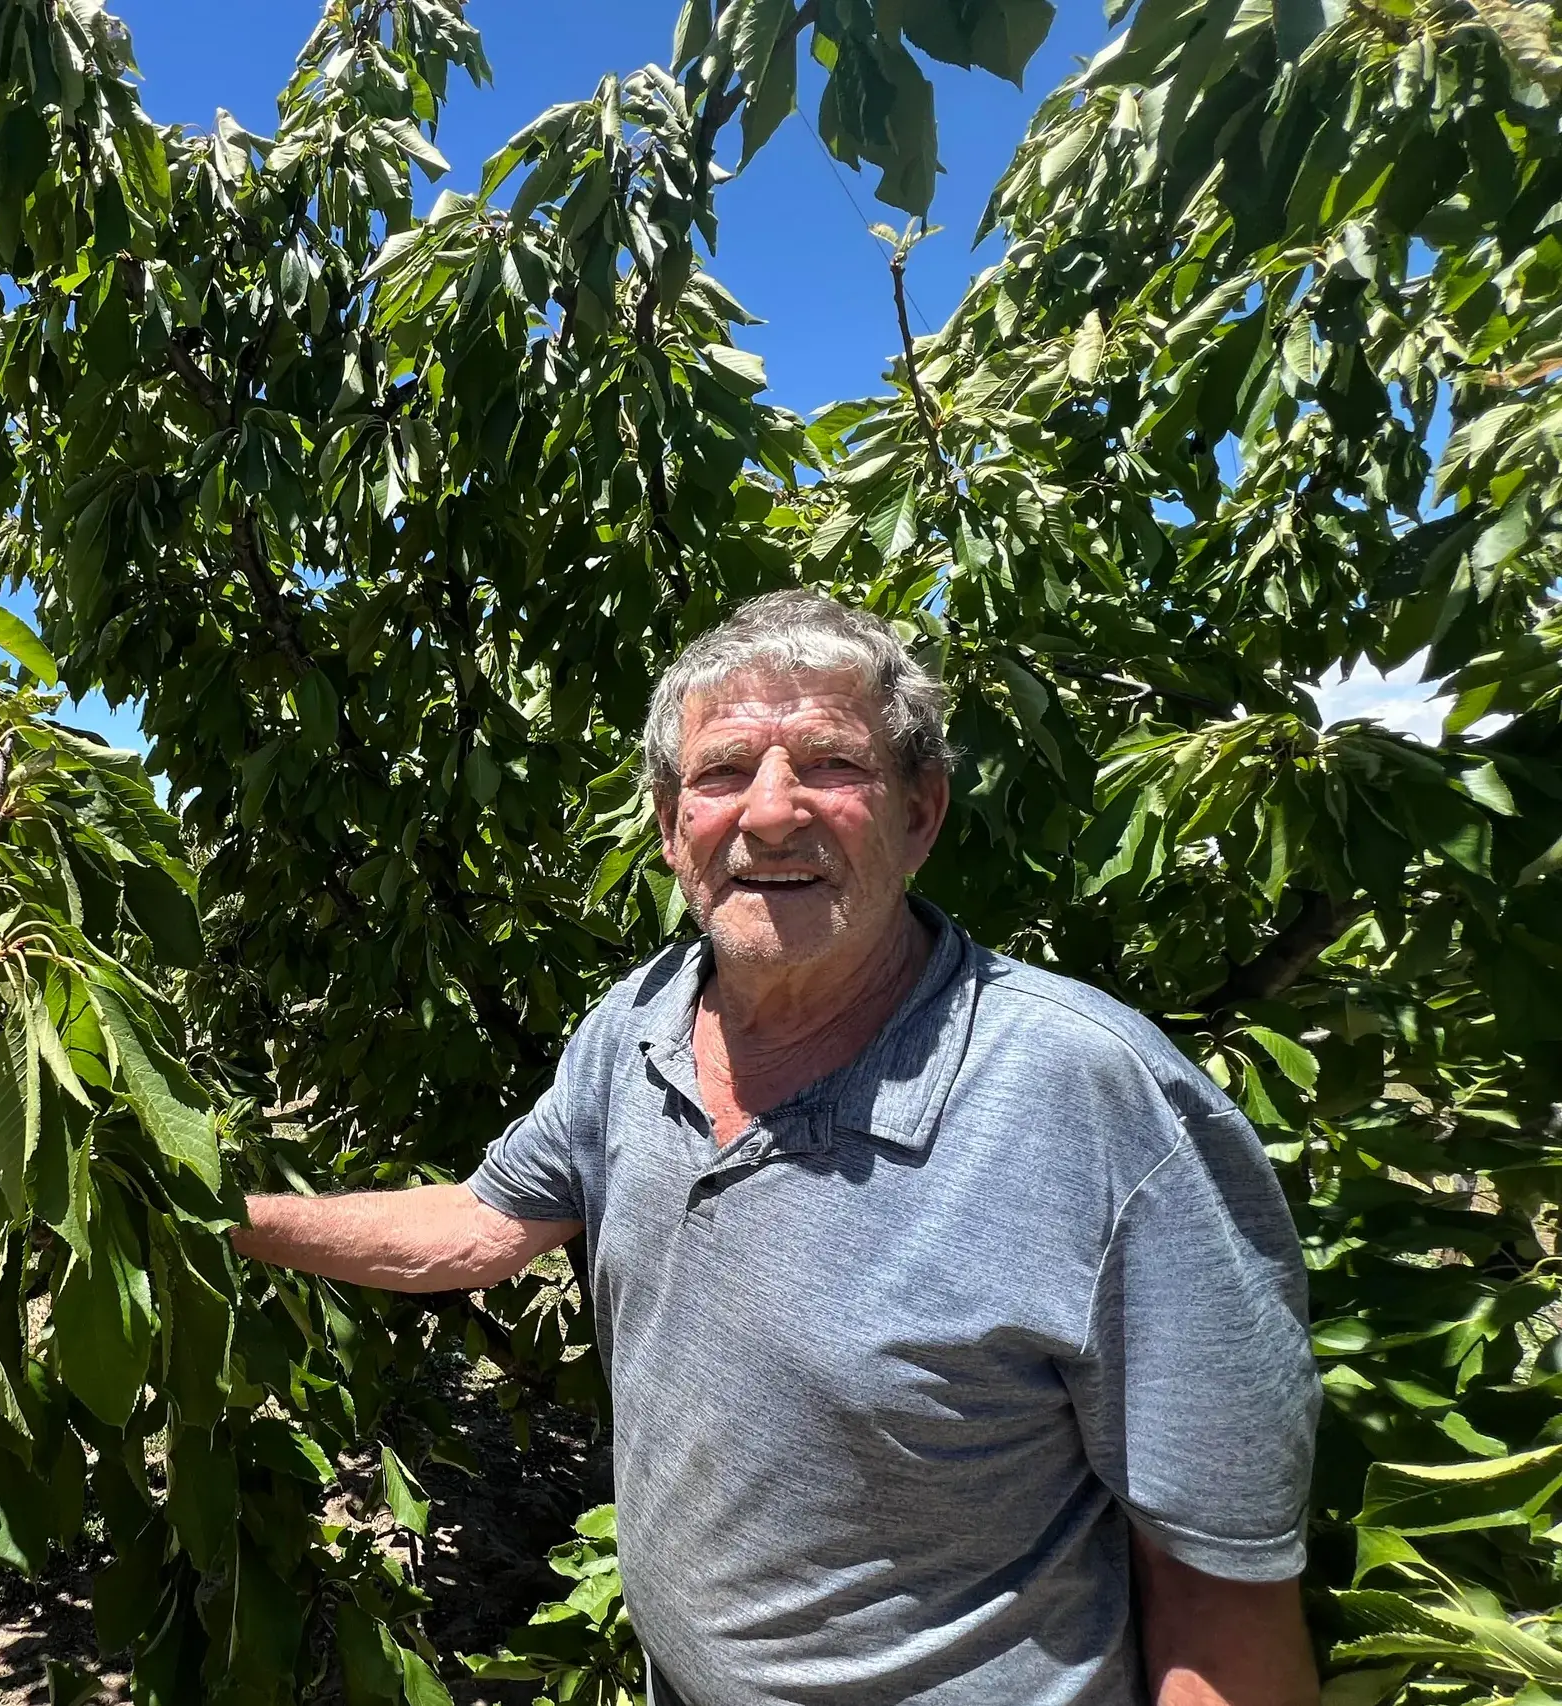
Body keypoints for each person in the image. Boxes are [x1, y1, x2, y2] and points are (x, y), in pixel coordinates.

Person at [231, 591, 1321, 1706]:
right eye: (720, 772)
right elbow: (480, 1223)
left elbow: (1219, 1592)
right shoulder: (638, 1024)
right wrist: (213, 1213)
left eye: (830, 762)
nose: (771, 813)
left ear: (921, 813)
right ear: (668, 827)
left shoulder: (1096, 1100)